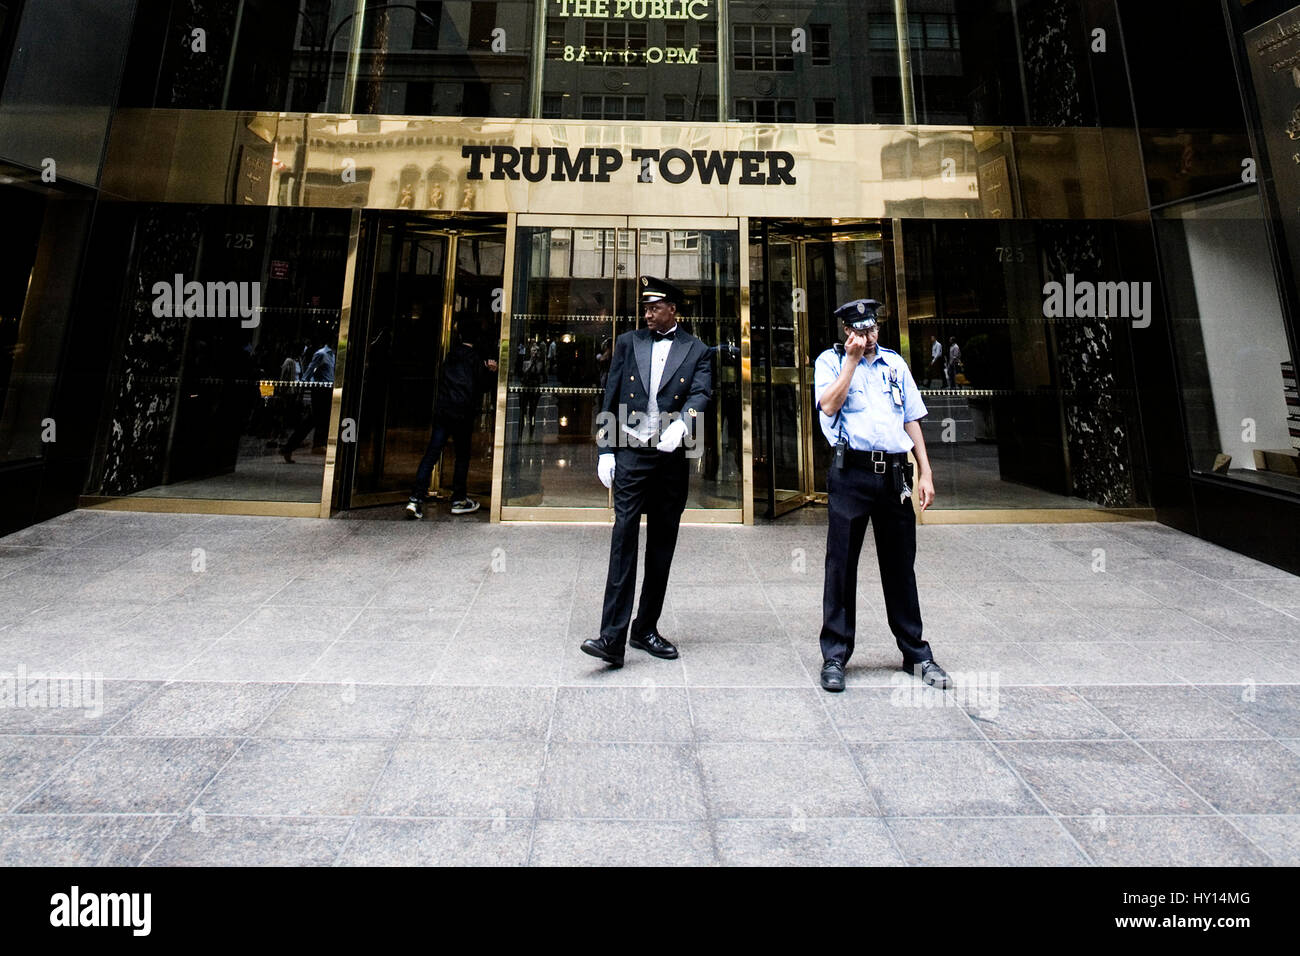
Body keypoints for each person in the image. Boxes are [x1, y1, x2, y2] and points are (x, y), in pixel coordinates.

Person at [813, 298, 951, 693]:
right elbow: (827, 405)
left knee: (900, 564)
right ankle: (836, 654)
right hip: (850, 472)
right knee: (841, 565)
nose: (869, 337)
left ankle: (916, 652)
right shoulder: (831, 362)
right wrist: (851, 363)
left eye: (873, 329)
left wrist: (925, 470)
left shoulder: (895, 364)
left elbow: (911, 417)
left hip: (893, 473)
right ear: (847, 331)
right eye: (861, 331)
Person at [580, 276, 711, 668]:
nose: (648, 313)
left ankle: (645, 628)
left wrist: (685, 425)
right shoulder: (627, 342)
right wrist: (606, 449)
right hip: (632, 454)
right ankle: (611, 638)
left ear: (674, 308)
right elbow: (611, 391)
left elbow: (702, 393)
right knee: (623, 539)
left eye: (655, 307)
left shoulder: (697, 349)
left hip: (671, 457)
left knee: (661, 545)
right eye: (646, 308)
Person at [405, 321, 498, 518]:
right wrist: (491, 371)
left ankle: (415, 499)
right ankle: (458, 499)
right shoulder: (475, 359)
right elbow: (483, 386)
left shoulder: (450, 355)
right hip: (462, 414)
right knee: (462, 456)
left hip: (444, 410)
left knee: (432, 453)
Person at [281, 342, 334, 463]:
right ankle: (292, 447)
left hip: (328, 391)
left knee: (317, 420)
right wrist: (302, 387)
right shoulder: (321, 354)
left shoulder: (333, 356)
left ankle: (313, 444)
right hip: (320, 391)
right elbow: (309, 371)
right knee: (313, 420)